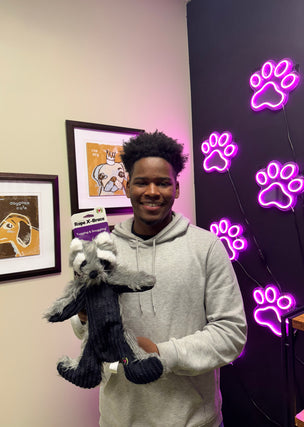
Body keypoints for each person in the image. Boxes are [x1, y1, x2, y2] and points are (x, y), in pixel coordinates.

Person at [71, 131, 247, 427]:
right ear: (127, 187)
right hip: (119, 419)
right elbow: (85, 332)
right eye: (142, 182)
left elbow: (231, 334)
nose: (152, 191)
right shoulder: (101, 249)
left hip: (193, 420)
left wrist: (163, 354)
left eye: (163, 182)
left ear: (176, 189)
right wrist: (85, 314)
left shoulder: (206, 247)